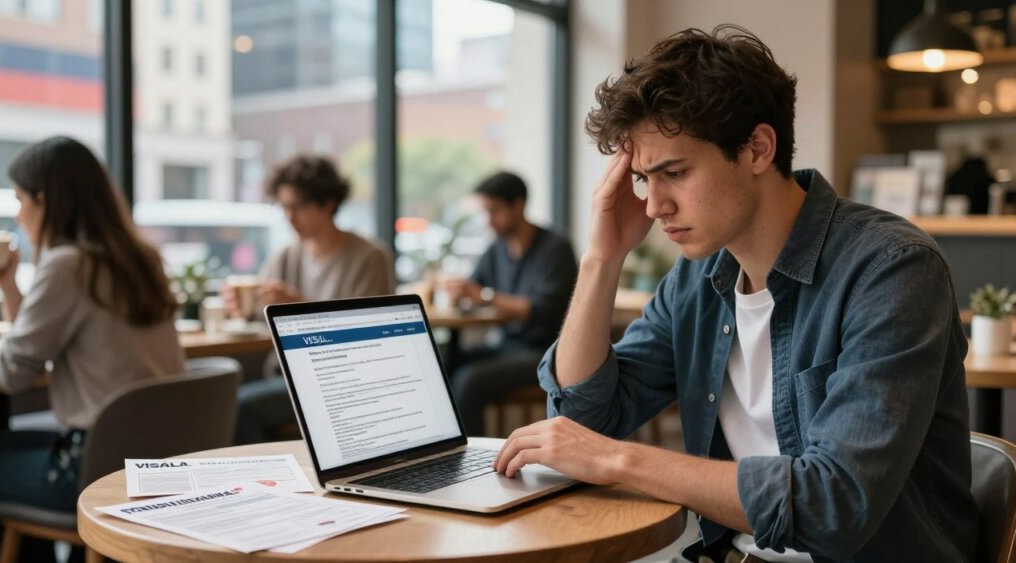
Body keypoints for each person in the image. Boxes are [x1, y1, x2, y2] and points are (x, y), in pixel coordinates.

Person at [492, 26, 978, 562]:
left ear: (758, 149)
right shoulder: (696, 282)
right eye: (641, 179)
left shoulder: (891, 270)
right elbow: (583, 421)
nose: (654, 206)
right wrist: (602, 259)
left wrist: (620, 461)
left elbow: (833, 505)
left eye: (673, 173)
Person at [0, 136, 184, 560]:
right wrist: (9, 285)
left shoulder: (66, 264)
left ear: (45, 201)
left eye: (20, 199)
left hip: (95, 468)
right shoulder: (138, 258)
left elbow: (11, 373)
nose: (19, 215)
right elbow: (35, 344)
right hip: (159, 457)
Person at [227, 154, 394, 444]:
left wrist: (299, 308)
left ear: (328, 203)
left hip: (339, 383)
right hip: (286, 375)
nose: (290, 217)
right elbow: (258, 314)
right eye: (284, 207)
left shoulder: (369, 257)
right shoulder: (286, 255)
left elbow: (366, 342)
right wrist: (241, 307)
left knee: (239, 406)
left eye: (298, 207)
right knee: (226, 394)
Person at [444, 172, 577, 437]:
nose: (489, 221)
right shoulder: (497, 250)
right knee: (444, 361)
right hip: (508, 346)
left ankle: (469, 455)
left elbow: (541, 310)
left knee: (469, 380)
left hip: (548, 352)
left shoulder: (555, 248)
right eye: (485, 212)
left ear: (518, 205)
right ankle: (436, 449)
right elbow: (474, 287)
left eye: (494, 210)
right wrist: (460, 292)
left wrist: (482, 295)